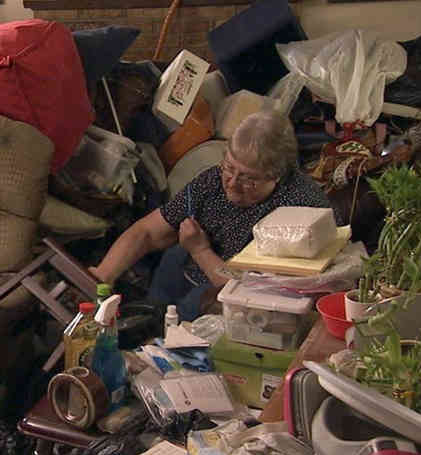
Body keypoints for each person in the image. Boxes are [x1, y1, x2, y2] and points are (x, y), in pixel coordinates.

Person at [89, 110, 339, 320]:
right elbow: (147, 232)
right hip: (186, 269)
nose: (231, 183)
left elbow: (255, 294)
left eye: (247, 178)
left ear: (276, 175)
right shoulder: (212, 181)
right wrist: (102, 278)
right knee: (149, 309)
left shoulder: (301, 209)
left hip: (232, 299)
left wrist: (201, 251)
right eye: (228, 168)